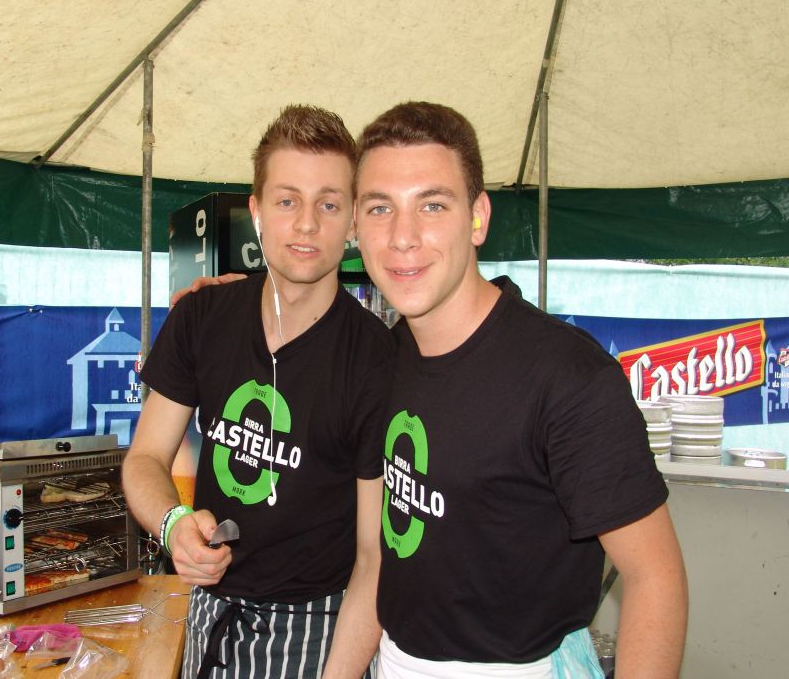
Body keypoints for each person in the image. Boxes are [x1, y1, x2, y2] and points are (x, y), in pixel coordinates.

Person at [353, 101, 689, 678]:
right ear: (356, 227)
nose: (402, 237)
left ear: (477, 218)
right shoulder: (391, 355)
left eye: (432, 205)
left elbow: (655, 577)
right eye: (380, 208)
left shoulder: (566, 376)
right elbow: (379, 559)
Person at [122, 105, 394, 679]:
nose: (306, 224)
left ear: (352, 221)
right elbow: (145, 457)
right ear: (256, 213)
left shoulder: (377, 360)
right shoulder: (201, 317)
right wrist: (173, 526)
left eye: (328, 204)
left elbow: (374, 559)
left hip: (319, 632)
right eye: (287, 200)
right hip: (209, 619)